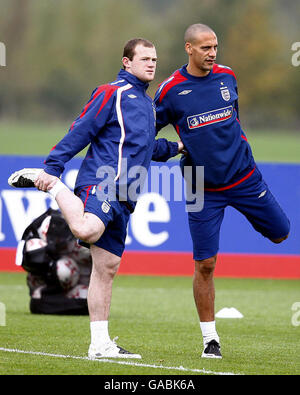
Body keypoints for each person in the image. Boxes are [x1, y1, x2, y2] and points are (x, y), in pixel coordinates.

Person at [8, 38, 181, 359]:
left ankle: (99, 344)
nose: (152, 63)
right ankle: (50, 186)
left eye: (154, 59)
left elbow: (146, 147)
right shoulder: (110, 93)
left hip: (127, 196)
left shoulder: (146, 106)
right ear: (126, 62)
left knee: (107, 267)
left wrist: (177, 148)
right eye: (144, 58)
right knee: (87, 230)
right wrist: (52, 169)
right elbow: (81, 129)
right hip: (103, 183)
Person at [154, 23, 290, 359]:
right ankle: (210, 340)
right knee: (206, 264)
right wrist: (173, 148)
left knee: (281, 234)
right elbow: (144, 135)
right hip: (202, 186)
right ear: (189, 48)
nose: (212, 53)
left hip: (244, 178)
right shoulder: (170, 91)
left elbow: (235, 120)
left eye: (215, 47)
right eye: (205, 48)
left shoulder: (227, 77)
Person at [17, 207, 92, 315]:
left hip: (79, 284)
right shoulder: (35, 242)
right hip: (46, 288)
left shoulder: (80, 244)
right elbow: (26, 263)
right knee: (62, 269)